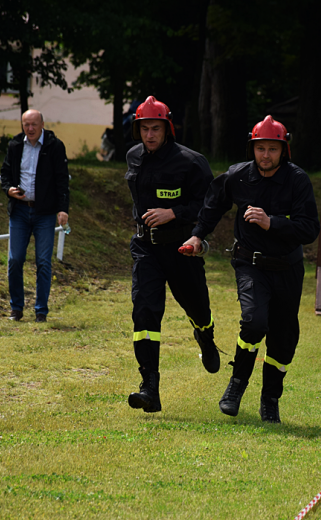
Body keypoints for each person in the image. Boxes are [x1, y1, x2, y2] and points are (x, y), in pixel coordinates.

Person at [181, 116, 320, 423]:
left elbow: (310, 229)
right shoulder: (237, 176)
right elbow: (213, 204)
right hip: (250, 265)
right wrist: (197, 235)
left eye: (272, 149)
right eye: (260, 148)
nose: (265, 155)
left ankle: (270, 399)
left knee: (284, 340)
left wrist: (273, 223)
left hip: (288, 268)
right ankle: (236, 386)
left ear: (284, 151)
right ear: (252, 148)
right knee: (254, 322)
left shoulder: (297, 181)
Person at [124, 96, 220, 415]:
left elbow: (209, 206)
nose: (149, 135)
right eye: (144, 129)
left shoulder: (191, 162)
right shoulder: (133, 156)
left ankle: (205, 336)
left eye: (155, 128)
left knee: (198, 307)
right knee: (145, 312)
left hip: (181, 248)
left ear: (168, 129)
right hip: (146, 248)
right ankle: (149, 386)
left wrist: (173, 213)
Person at [0, 109, 69, 323]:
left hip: (45, 213)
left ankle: (41, 311)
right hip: (19, 211)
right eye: (26, 124)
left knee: (43, 262)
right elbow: (5, 173)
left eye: (34, 124)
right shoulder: (15, 145)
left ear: (42, 125)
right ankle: (16, 308)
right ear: (22, 125)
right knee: (15, 259)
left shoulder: (54, 146)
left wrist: (63, 208)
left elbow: (61, 180)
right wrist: (8, 189)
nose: (30, 129)